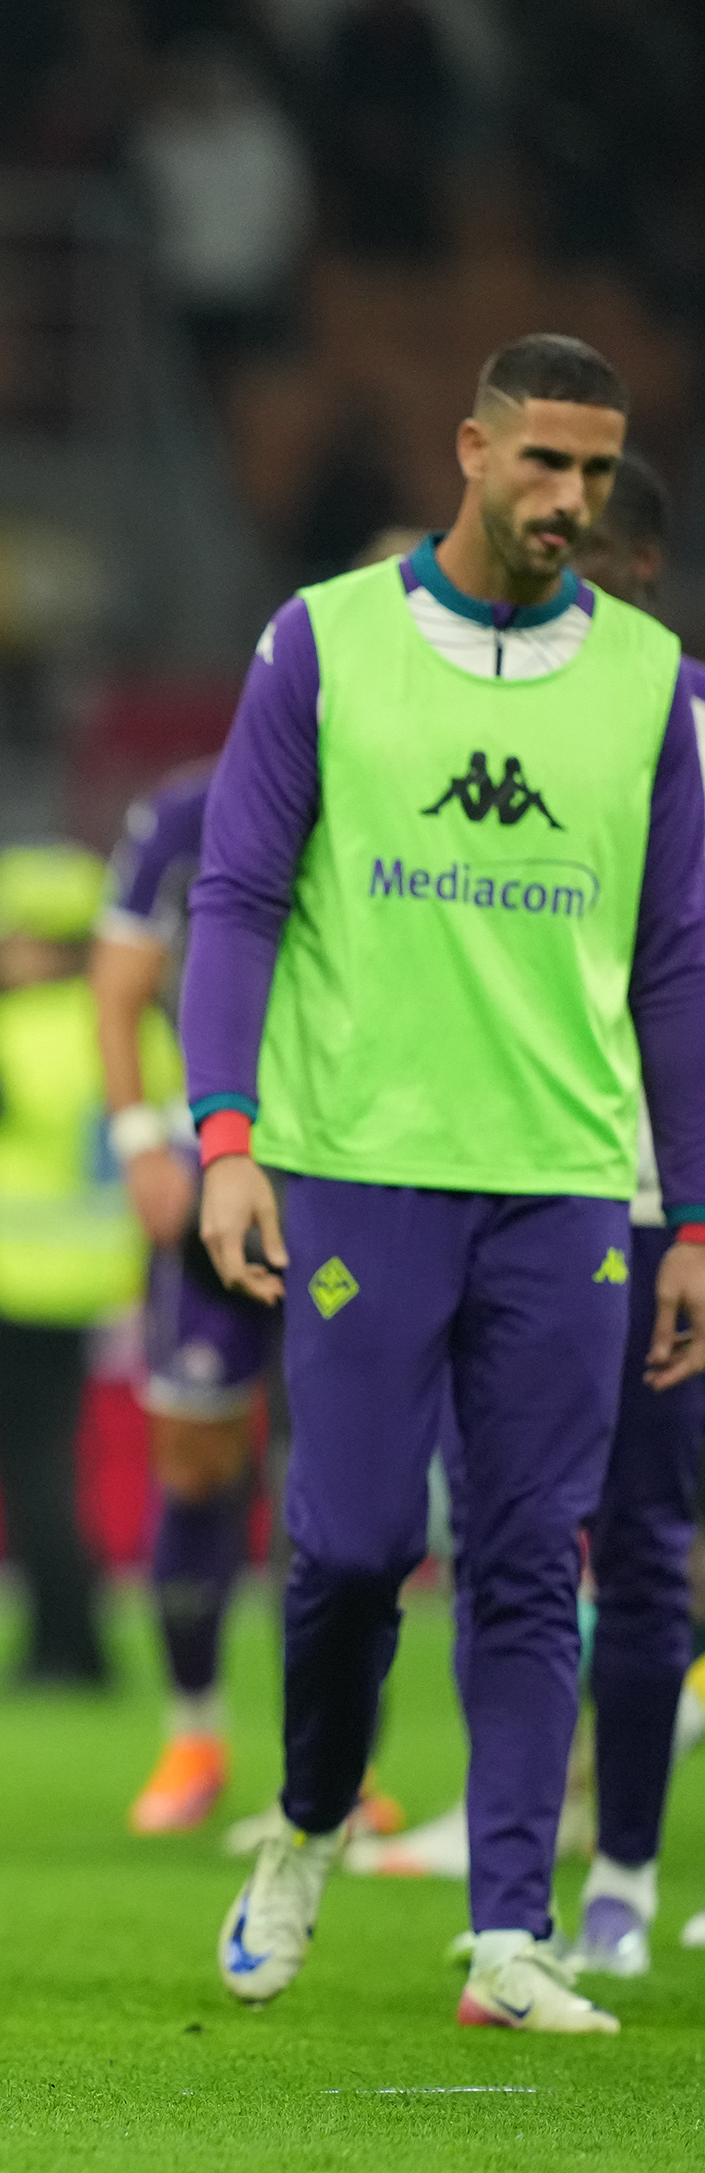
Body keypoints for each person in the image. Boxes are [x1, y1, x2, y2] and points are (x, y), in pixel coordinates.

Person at [192, 335, 705, 2038]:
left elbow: (676, 963)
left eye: (596, 470)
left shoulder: (648, 679)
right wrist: (222, 1139)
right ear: (471, 452)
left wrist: (694, 1216)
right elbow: (237, 896)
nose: (570, 497)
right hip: (358, 1167)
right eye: (542, 461)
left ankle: (509, 1933)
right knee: (349, 1549)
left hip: (563, 1181)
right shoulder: (322, 639)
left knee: (529, 1553)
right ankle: (309, 1821)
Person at [555, 453, 703, 1977]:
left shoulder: (691, 726)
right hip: (525, 1182)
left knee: (652, 1544)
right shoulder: (478, 718)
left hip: (670, 1204)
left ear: (641, 573)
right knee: (525, 1537)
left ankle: (629, 1876)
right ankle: (528, 1854)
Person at [0, 845, 157, 1694]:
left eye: (6, 935)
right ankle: (75, 1640)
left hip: (7, 1280)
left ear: (42, 940)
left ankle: (63, 1649)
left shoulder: (8, 1034)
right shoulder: (140, 1031)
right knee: (59, 1466)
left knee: (30, 1476)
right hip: (103, 1277)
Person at [94, 757, 279, 1830]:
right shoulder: (188, 810)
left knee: (342, 1484)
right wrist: (136, 1142)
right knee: (197, 1464)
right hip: (206, 1169)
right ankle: (194, 1731)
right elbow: (118, 983)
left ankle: (338, 1762)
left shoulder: (398, 785)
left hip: (349, 1180)